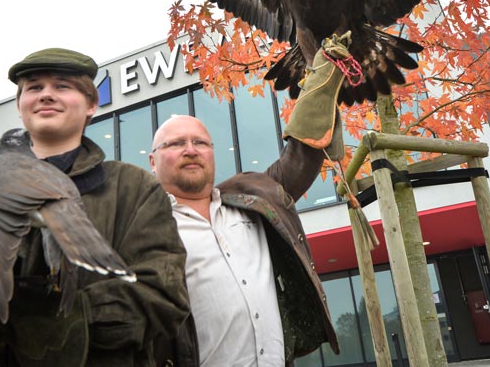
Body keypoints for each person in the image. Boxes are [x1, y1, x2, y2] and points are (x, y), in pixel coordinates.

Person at [0, 48, 190, 367]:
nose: (47, 95)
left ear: (92, 104)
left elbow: (164, 298)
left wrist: (54, 323)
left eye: (63, 86)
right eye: (35, 87)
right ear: (20, 104)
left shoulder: (133, 190)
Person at [151, 34, 355, 366]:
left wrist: (323, 80)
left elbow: (299, 157)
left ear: (213, 153)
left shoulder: (253, 197)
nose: (190, 150)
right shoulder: (143, 228)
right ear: (152, 161)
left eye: (200, 142)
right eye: (175, 144)